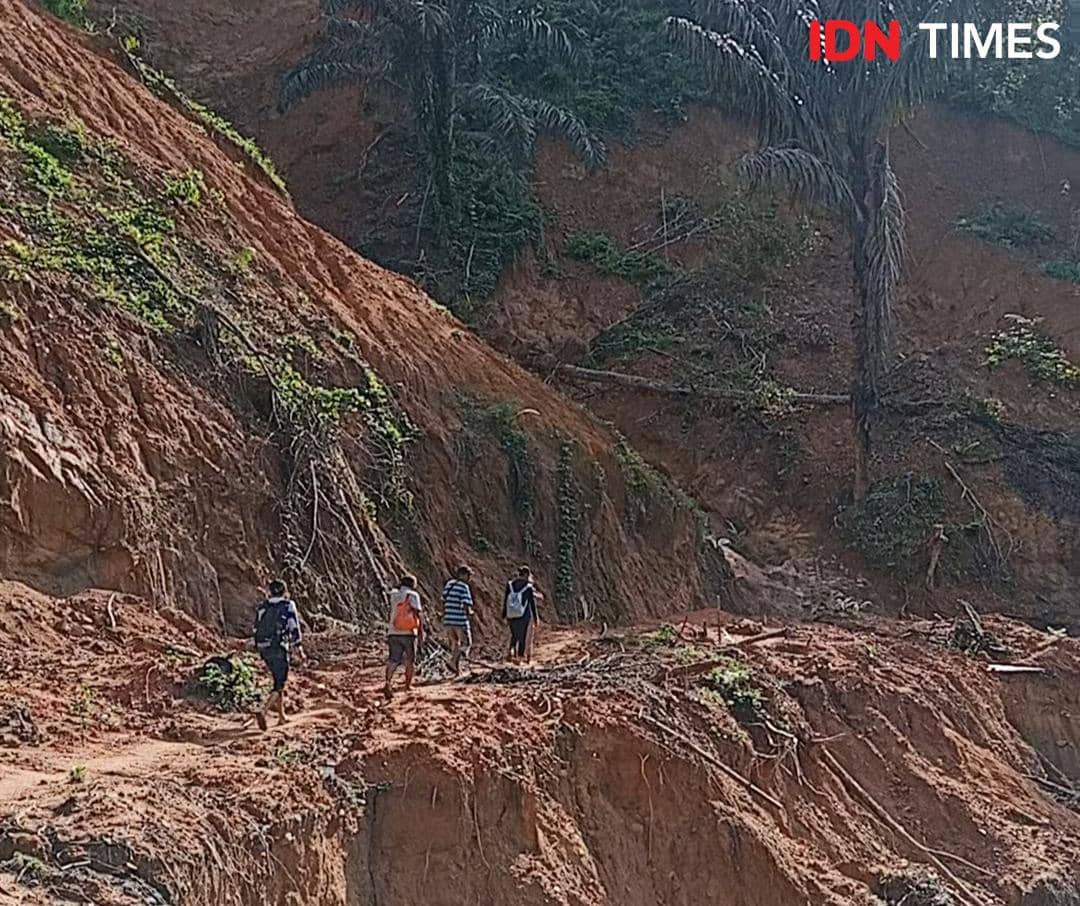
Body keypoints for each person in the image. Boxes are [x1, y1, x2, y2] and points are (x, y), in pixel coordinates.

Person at [252, 579, 303, 731]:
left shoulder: (263, 606)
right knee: (280, 682)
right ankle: (264, 711)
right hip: (278, 647)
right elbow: (294, 626)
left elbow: (255, 627)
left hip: (263, 647)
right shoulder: (288, 605)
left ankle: (282, 717)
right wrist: (298, 647)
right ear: (285, 591)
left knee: (277, 679)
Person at [385, 575, 423, 699]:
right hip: (409, 632)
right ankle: (408, 685)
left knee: (393, 660)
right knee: (410, 660)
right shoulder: (413, 595)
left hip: (393, 631)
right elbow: (418, 614)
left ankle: (388, 682)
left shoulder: (394, 594)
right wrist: (421, 631)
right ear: (412, 584)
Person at [442, 565, 474, 675]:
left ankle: (457, 670)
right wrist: (469, 613)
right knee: (466, 643)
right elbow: (466, 604)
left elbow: (444, 599)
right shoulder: (464, 587)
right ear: (464, 575)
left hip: (448, 619)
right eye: (469, 576)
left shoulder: (449, 584)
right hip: (459, 620)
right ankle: (452, 662)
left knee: (455, 644)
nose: (470, 578)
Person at [505, 566, 539, 663]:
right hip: (524, 615)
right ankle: (519, 657)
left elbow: (505, 599)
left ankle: (511, 651)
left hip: (511, 614)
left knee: (514, 634)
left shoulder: (510, 584)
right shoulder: (528, 587)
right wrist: (536, 618)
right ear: (526, 575)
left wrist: (504, 614)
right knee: (522, 636)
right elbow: (532, 604)